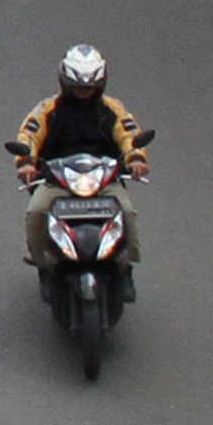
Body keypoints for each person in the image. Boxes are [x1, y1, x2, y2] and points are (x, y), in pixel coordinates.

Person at [13, 45, 152, 267]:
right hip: (57, 179)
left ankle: (127, 264)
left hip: (103, 179)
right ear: (65, 83)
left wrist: (135, 158)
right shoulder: (48, 109)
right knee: (36, 211)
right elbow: (29, 134)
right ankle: (41, 259)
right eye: (78, 88)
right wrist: (27, 163)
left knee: (127, 212)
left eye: (89, 88)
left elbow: (129, 133)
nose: (83, 92)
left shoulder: (112, 109)